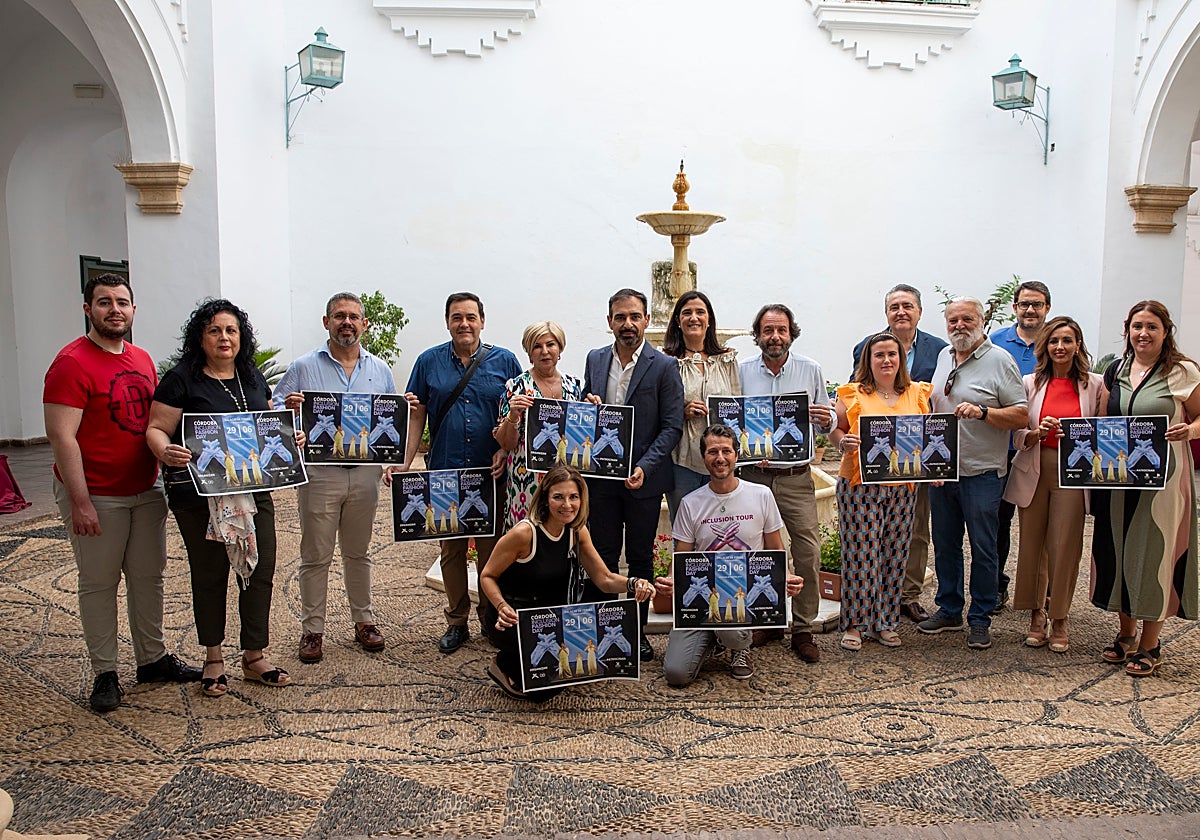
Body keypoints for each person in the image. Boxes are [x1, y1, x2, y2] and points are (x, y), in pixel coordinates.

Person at [43, 273, 201, 712]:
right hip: (97, 493)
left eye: (122, 302)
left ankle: (151, 658)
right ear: (87, 309)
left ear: (134, 310)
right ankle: (105, 671)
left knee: (148, 576)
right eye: (104, 301)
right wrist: (80, 500)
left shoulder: (143, 359)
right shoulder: (71, 363)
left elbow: (155, 422)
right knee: (99, 582)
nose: (115, 309)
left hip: (145, 488)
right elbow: (62, 437)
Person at [146, 299, 294, 696]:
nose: (224, 337)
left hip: (252, 490)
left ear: (241, 336)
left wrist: (288, 439)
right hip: (200, 497)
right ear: (201, 337)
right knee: (211, 573)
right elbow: (156, 428)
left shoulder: (252, 377)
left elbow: (266, 428)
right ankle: (214, 657)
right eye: (214, 330)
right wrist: (163, 449)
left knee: (259, 569)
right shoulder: (182, 379)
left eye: (231, 330)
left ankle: (254, 656)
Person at [274, 292, 398, 664]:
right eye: (339, 316)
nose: (347, 322)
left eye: (353, 317)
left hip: (364, 475)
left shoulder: (380, 370)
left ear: (365, 324)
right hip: (321, 474)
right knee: (316, 555)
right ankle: (313, 629)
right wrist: (289, 411)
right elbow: (273, 410)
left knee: (358, 552)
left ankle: (364, 620)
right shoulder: (302, 367)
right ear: (326, 322)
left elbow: (391, 419)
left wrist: (395, 452)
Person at [400, 292, 521, 654]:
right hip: (445, 472)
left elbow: (516, 411)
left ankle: (489, 618)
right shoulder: (427, 362)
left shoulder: (505, 362)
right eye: (457, 317)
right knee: (451, 553)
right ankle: (456, 621)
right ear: (448, 322)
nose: (464, 324)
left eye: (470, 317)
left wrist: (503, 448)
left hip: (490, 473)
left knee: (491, 551)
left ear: (482, 321)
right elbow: (417, 413)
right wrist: (404, 464)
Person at [1091, 300, 1200, 677]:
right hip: (1119, 477)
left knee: (1155, 550)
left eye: (1152, 326)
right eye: (1137, 326)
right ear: (1127, 330)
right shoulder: (1115, 369)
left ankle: (1151, 643)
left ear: (1165, 331)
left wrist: (1191, 430)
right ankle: (1125, 634)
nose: (1143, 333)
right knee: (1120, 547)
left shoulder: (1182, 371)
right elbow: (1102, 420)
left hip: (1165, 479)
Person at [479, 465, 654, 699]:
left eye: (574, 497)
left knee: (570, 669)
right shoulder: (524, 533)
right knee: (542, 692)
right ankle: (504, 662)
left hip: (548, 613)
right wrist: (501, 607)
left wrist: (634, 583)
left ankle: (530, 658)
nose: (567, 505)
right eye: (558, 497)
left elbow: (604, 579)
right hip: (512, 614)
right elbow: (487, 575)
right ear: (544, 499)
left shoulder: (576, 531)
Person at [653, 424, 803, 686]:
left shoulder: (761, 495)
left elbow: (775, 547)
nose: (719, 458)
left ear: (736, 455)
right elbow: (681, 558)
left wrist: (785, 576)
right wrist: (671, 581)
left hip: (741, 595)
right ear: (704, 458)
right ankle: (714, 640)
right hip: (702, 595)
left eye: (726, 451)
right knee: (676, 674)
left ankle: (738, 646)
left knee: (732, 626)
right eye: (712, 452)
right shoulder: (691, 503)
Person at [918, 297, 1027, 650]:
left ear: (981, 321)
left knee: (984, 546)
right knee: (945, 544)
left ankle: (980, 617)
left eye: (967, 319)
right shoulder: (943, 357)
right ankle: (949, 608)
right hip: (942, 472)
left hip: (982, 472)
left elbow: (1021, 415)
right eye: (953, 320)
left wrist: (983, 413)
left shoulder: (1000, 361)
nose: (959, 326)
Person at [582, 288, 683, 661]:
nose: (628, 324)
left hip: (644, 478)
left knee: (640, 557)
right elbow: (585, 417)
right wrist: (587, 405)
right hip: (601, 480)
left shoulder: (664, 366)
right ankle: (607, 631)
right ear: (609, 322)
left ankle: (634, 632)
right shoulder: (594, 360)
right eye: (620, 317)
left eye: (634, 316)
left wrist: (644, 466)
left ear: (647, 321)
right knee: (603, 555)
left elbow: (671, 427)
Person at [738, 303, 833, 663]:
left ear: (791, 332)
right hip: (754, 476)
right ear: (758, 335)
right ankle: (768, 618)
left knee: (807, 551)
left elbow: (825, 424)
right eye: (767, 331)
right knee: (757, 553)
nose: (774, 337)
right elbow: (734, 419)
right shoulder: (742, 370)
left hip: (795, 477)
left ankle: (803, 626)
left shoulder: (810, 370)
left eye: (781, 330)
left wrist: (824, 418)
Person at [1003, 316, 1102, 653]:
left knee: (1065, 546)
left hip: (1073, 473)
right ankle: (1036, 614)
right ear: (1044, 345)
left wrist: (1080, 436)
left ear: (1078, 346)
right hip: (1035, 467)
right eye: (1054, 341)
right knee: (1032, 545)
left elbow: (1107, 433)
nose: (1060, 347)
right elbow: (1015, 435)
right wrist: (1036, 432)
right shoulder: (1029, 383)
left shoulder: (1095, 385)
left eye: (1068, 340)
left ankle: (1060, 617)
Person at [851, 284, 948, 624]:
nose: (901, 311)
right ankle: (874, 598)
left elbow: (939, 405)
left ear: (920, 311)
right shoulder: (867, 347)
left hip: (915, 461)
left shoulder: (940, 350)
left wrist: (936, 460)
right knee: (874, 535)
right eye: (894, 306)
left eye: (908, 305)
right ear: (887, 313)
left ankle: (907, 595)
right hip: (873, 464)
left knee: (916, 530)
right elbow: (854, 399)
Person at [830, 333, 932, 651]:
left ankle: (885, 621)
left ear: (901, 359)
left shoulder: (917, 393)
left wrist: (938, 470)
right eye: (879, 355)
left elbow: (930, 438)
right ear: (868, 360)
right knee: (861, 555)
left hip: (903, 487)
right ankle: (855, 624)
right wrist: (841, 442)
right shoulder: (852, 393)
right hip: (859, 485)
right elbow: (836, 430)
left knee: (895, 553)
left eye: (892, 354)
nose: (886, 360)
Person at [990, 280, 1053, 612]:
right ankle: (998, 586)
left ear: (1047, 308)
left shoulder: (1057, 341)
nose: (1031, 309)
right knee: (1000, 521)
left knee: (1042, 523)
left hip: (1043, 449)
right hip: (1003, 449)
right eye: (1025, 304)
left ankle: (1044, 591)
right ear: (1014, 307)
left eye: (1037, 304)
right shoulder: (997, 342)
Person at [494, 321, 584, 531]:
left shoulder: (574, 386)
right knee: (526, 538)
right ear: (529, 352)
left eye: (550, 344)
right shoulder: (516, 386)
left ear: (560, 349)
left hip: (565, 481)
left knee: (564, 537)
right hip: (526, 480)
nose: (545, 351)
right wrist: (513, 416)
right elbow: (506, 443)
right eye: (537, 346)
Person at [660, 290, 740, 520]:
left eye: (700, 312)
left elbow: (737, 402)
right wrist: (681, 412)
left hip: (722, 461)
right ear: (678, 320)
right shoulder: (666, 361)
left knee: (723, 526)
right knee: (685, 527)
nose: (694, 318)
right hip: (683, 460)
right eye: (687, 313)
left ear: (709, 319)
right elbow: (656, 409)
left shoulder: (727, 360)